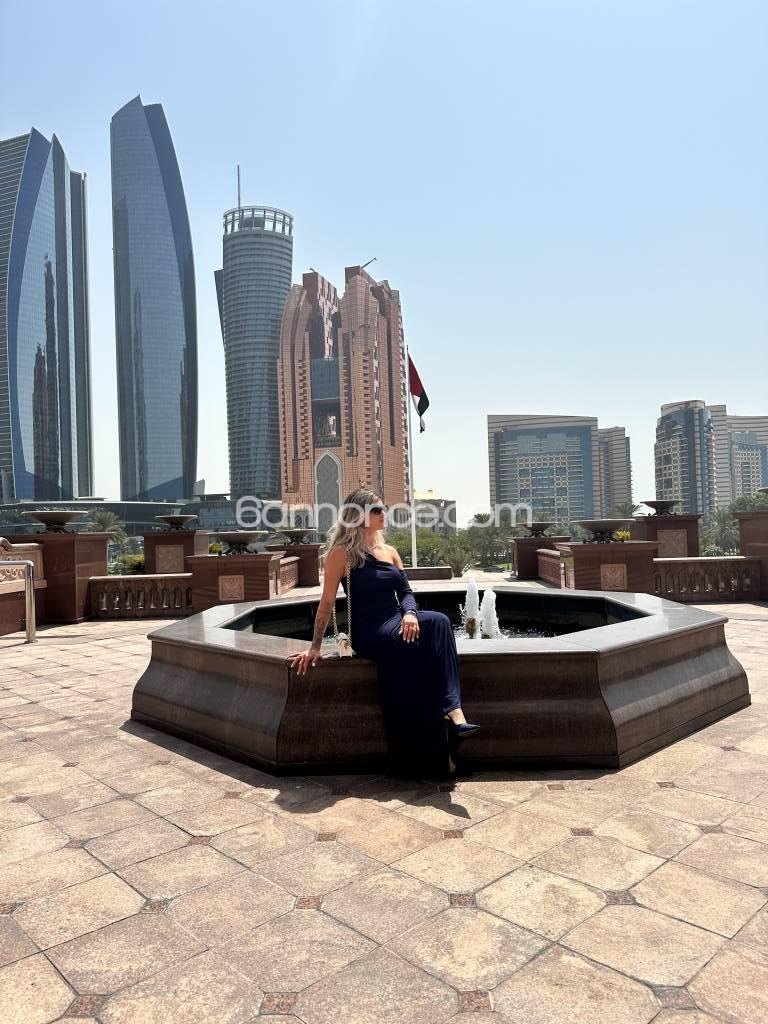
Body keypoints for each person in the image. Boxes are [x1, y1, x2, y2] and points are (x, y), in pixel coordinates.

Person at [288, 487, 480, 778]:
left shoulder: (390, 552)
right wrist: (315, 646)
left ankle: (453, 714)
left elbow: (406, 593)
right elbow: (326, 604)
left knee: (439, 622)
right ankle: (445, 722)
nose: (383, 514)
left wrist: (410, 613)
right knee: (427, 635)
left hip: (396, 621)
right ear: (358, 516)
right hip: (369, 631)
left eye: (383, 509)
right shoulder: (342, 554)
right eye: (376, 510)